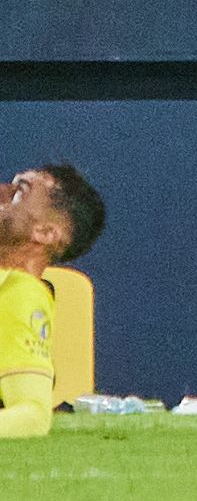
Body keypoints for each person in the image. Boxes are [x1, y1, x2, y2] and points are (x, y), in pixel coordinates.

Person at [0, 163, 107, 439]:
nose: (2, 192)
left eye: (19, 193)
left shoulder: (17, 294)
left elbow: (33, 415)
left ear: (45, 233)